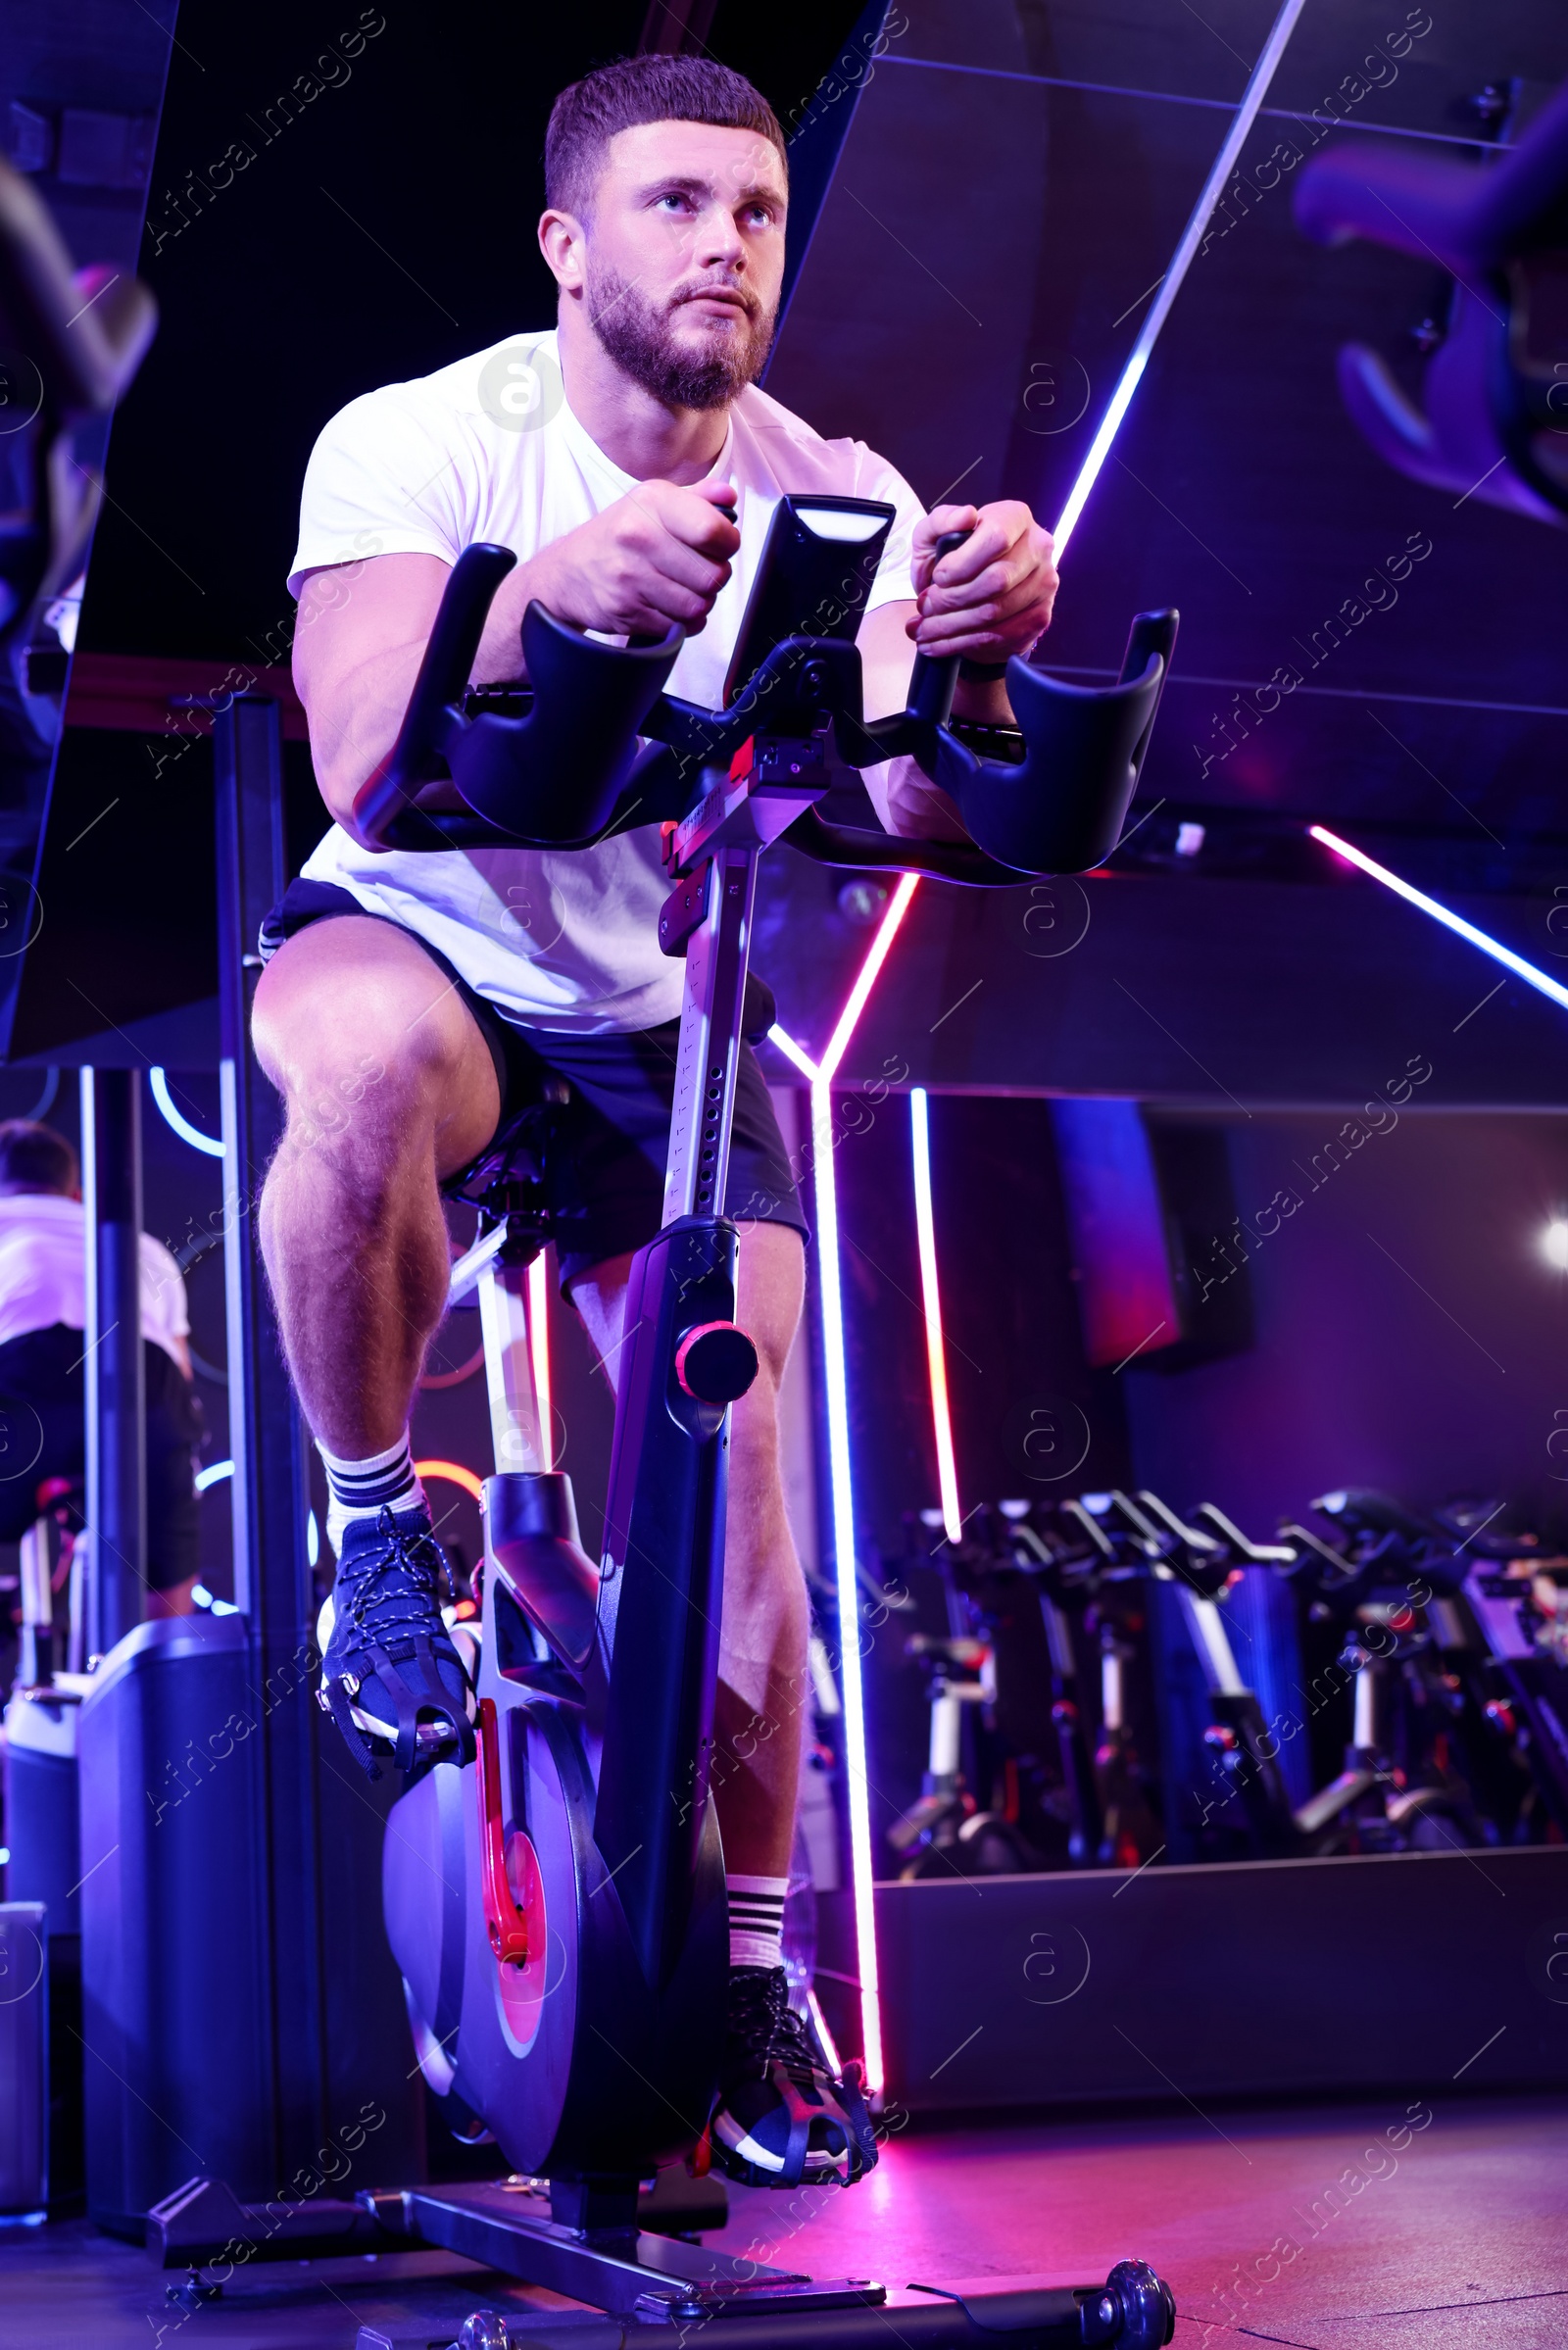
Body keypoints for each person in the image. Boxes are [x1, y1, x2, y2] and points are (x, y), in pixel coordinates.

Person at [254, 53, 1058, 2187]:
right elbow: (352, 757)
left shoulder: (839, 489)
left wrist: (972, 659)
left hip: (655, 1014)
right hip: (430, 945)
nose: (723, 245)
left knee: (754, 1524)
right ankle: (367, 1547)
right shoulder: (419, 434)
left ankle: (760, 1980)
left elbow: (899, 807)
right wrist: (537, 590)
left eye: (758, 212)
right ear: (568, 245)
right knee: (341, 1064)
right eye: (677, 203)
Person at [0, 1118, 203, 1618]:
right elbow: (183, 1374)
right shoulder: (144, 1248)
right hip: (143, 1385)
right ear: (75, 1193)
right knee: (167, 1586)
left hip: (23, 1383)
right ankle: (163, 1671)